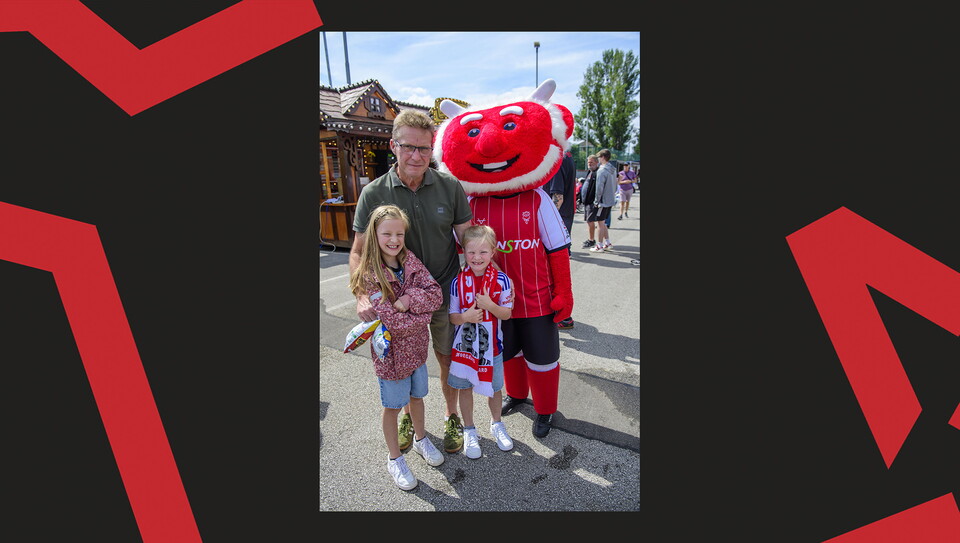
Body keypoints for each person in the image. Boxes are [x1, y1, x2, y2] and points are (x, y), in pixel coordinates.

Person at [350, 109, 473, 456]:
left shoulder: (450, 186)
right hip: (397, 299)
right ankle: (408, 417)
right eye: (408, 147)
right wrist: (362, 295)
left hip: (445, 291)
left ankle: (451, 417)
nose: (417, 155)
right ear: (393, 146)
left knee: (448, 358)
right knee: (405, 360)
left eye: (424, 148)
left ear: (432, 148)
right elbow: (358, 252)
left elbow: (468, 238)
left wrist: (485, 277)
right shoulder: (374, 192)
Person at [348, 205, 445, 490]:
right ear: (373, 235)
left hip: (417, 352)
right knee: (392, 406)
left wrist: (410, 299)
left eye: (399, 233)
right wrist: (422, 315)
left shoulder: (410, 261)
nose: (394, 239)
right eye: (387, 233)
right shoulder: (369, 274)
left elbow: (435, 294)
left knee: (417, 398)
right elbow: (391, 323)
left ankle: (421, 439)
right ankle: (394, 459)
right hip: (390, 357)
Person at [447, 225, 515, 458]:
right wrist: (465, 317)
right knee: (465, 388)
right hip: (465, 348)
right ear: (464, 252)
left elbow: (506, 314)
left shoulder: (503, 281)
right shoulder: (457, 282)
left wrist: (490, 306)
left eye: (483, 252)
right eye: (471, 252)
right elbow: (453, 317)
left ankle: (496, 423)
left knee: (495, 389)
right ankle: (469, 429)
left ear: (493, 252)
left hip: (492, 347)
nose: (477, 258)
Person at [545, 150, 577, 329]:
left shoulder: (557, 158)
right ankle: (564, 315)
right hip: (563, 223)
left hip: (557, 227)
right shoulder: (566, 156)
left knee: (554, 273)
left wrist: (545, 223)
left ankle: (563, 316)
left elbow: (557, 196)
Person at [590, 149, 618, 253]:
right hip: (610, 199)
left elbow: (599, 188)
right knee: (603, 222)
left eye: (599, 157)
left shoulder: (602, 170)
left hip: (602, 201)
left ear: (602, 157)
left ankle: (599, 245)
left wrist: (597, 201)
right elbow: (615, 184)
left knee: (600, 223)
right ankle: (607, 242)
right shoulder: (613, 169)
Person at [580, 155, 600, 249]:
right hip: (587, 201)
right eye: (588, 162)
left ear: (596, 162)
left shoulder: (597, 173)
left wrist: (595, 201)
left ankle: (591, 240)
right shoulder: (590, 172)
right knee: (589, 221)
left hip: (592, 202)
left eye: (591, 162)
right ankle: (591, 239)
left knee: (590, 221)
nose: (589, 164)